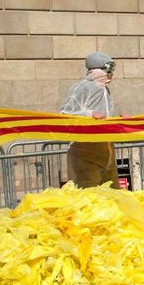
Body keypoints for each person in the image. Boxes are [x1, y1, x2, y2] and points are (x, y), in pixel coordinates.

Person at [61, 52, 118, 187]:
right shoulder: (83, 87)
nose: (111, 73)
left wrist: (119, 120)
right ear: (98, 69)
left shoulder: (105, 91)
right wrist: (89, 115)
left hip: (106, 157)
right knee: (88, 201)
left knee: (114, 201)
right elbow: (65, 114)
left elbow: (104, 118)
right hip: (85, 157)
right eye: (109, 69)